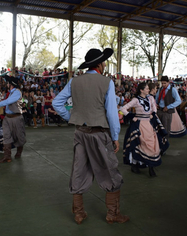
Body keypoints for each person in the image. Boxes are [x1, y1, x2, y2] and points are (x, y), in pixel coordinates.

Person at [52, 48, 129, 225]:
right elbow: (111, 113)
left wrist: (72, 117)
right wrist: (115, 136)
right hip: (99, 134)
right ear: (99, 64)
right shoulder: (106, 82)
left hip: (80, 133)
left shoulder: (74, 81)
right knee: (109, 171)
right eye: (104, 62)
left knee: (79, 170)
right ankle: (113, 214)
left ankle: (79, 213)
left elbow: (57, 103)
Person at [119, 83, 169, 177]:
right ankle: (138, 165)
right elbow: (122, 109)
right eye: (146, 88)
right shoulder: (136, 100)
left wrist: (152, 114)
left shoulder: (149, 99)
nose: (148, 90)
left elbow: (152, 110)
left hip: (149, 125)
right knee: (141, 145)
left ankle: (150, 166)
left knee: (151, 145)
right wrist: (131, 116)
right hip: (140, 125)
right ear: (141, 90)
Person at [0, 76, 26, 163]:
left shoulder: (16, 92)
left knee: (19, 137)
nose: (6, 84)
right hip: (8, 117)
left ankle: (19, 151)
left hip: (16, 118)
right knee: (6, 136)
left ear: (10, 84)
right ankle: (7, 156)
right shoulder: (10, 93)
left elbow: (8, 102)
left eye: (8, 82)